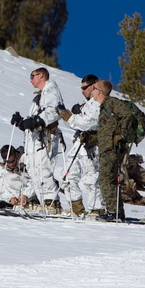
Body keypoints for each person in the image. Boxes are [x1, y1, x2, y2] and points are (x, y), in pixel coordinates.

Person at [11, 67, 64, 213]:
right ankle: (43, 201)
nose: (30, 79)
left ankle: (52, 202)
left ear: (41, 76)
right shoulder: (39, 96)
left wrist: (38, 121)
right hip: (35, 139)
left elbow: (54, 111)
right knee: (34, 169)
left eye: (32, 76)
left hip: (45, 137)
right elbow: (35, 118)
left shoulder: (51, 90)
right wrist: (23, 122)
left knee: (43, 169)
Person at [59, 74, 103, 217]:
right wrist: (66, 115)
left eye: (85, 88)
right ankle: (77, 208)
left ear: (94, 86)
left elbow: (88, 123)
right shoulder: (86, 104)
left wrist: (70, 117)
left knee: (92, 179)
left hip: (92, 146)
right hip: (79, 144)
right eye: (81, 88)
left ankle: (97, 209)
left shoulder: (99, 103)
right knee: (66, 176)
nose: (82, 91)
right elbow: (77, 124)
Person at [92, 79, 136, 221]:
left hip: (112, 149)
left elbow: (127, 114)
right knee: (109, 180)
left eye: (93, 88)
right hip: (106, 148)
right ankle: (117, 212)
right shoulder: (104, 107)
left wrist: (121, 135)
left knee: (105, 180)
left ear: (99, 91)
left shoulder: (111, 103)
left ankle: (112, 212)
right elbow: (107, 131)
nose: (91, 91)